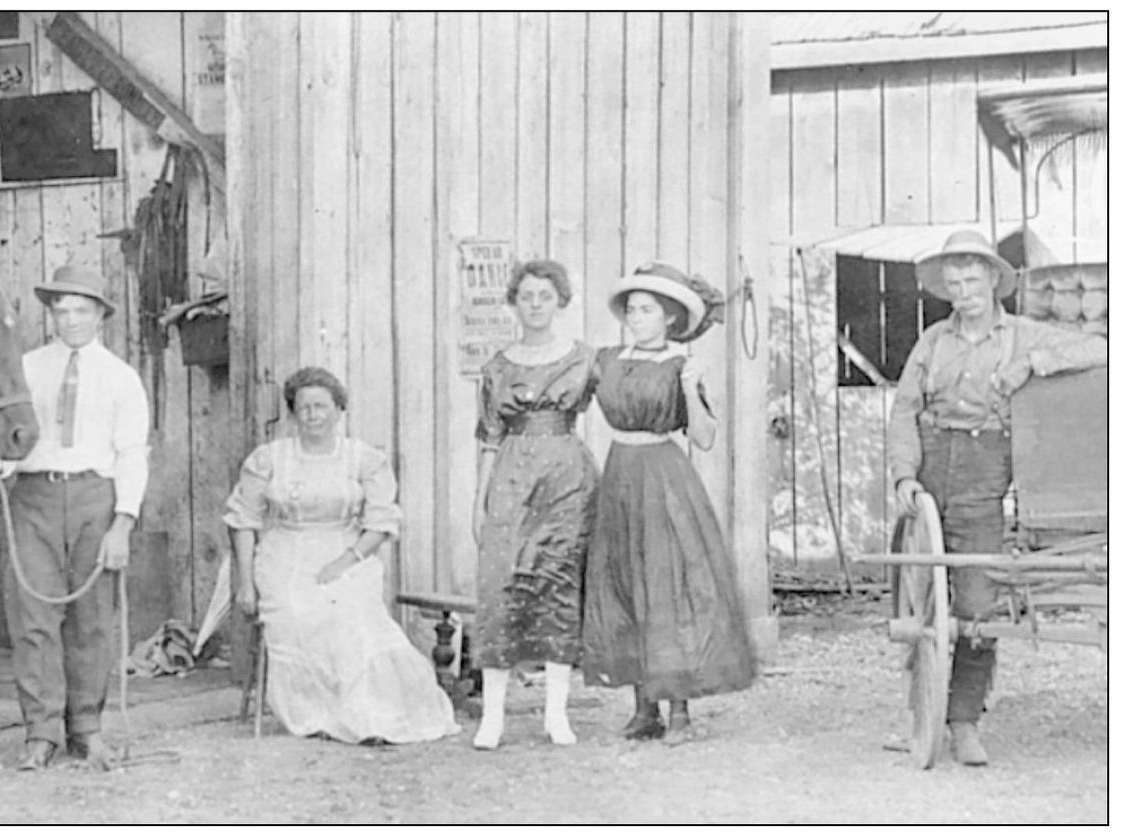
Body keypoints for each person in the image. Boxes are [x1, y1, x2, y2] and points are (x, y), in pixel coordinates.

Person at [888, 230, 1106, 766]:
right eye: (953, 282)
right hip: (934, 458)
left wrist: (1035, 365)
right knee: (929, 595)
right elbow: (903, 410)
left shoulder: (1025, 336)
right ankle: (922, 710)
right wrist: (903, 477)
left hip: (987, 469)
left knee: (978, 603)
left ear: (993, 281)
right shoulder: (933, 341)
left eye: (972, 280)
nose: (963, 291)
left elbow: (1102, 346)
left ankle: (963, 721)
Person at [0, 264, 149, 771]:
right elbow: (13, 441)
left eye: (81, 311)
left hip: (95, 497)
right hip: (33, 498)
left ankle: (86, 729)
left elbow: (133, 454)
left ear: (100, 317)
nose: (70, 321)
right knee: (33, 615)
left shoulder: (120, 378)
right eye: (62, 311)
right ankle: (40, 732)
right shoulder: (25, 367)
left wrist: (123, 524)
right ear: (51, 315)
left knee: (92, 619)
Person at [225, 367, 458, 745]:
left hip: (347, 552)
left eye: (321, 406)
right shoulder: (269, 459)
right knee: (297, 612)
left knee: (352, 614)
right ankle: (312, 714)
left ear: (339, 410)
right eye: (304, 408)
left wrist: (345, 561)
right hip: (286, 553)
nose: (313, 415)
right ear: (292, 413)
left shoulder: (362, 459)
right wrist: (245, 582)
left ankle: (367, 714)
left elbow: (381, 523)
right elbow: (243, 520)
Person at [580, 262, 755, 746]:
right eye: (632, 310)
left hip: (663, 476)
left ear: (670, 318)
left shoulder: (683, 364)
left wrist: (689, 389)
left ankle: (679, 710)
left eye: (648, 310)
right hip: (619, 474)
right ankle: (643, 709)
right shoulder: (606, 360)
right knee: (624, 585)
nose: (637, 318)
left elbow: (704, 436)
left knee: (666, 586)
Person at [470, 259, 600, 750]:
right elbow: (488, 437)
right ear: (513, 302)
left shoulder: (584, 359)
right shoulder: (497, 368)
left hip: (566, 479)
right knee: (500, 585)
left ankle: (556, 713)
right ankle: (493, 717)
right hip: (510, 475)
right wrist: (479, 499)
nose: (536, 305)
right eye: (527, 296)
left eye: (546, 295)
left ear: (561, 301)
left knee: (558, 583)